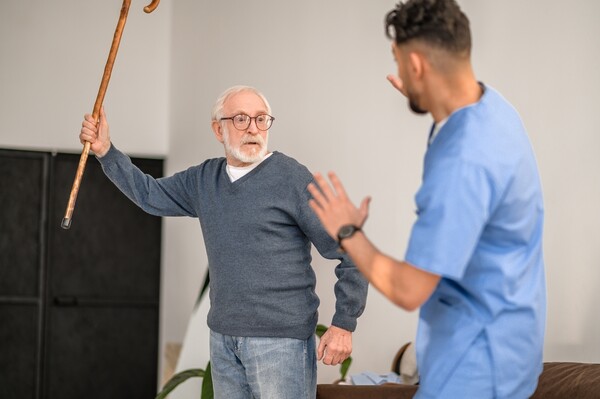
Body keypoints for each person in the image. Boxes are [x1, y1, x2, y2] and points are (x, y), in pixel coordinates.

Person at [307, 1, 545, 398]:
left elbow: (408, 289)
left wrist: (347, 230)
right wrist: (430, 99)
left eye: (399, 62)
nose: (399, 72)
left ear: (416, 65)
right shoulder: (494, 111)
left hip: (473, 370)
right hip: (511, 351)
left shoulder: (464, 160)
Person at [79, 85, 368, 399]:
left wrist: (344, 322)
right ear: (219, 129)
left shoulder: (292, 179)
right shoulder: (204, 180)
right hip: (223, 340)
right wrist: (106, 151)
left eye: (261, 119)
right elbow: (150, 195)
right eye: (241, 119)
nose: (253, 129)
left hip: (282, 343)